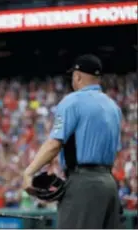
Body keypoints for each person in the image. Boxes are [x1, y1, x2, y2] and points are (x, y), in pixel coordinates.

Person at [22, 54, 123, 228]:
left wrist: (29, 172)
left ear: (78, 76)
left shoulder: (72, 101)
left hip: (83, 184)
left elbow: (54, 143)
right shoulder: (113, 106)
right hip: (109, 185)